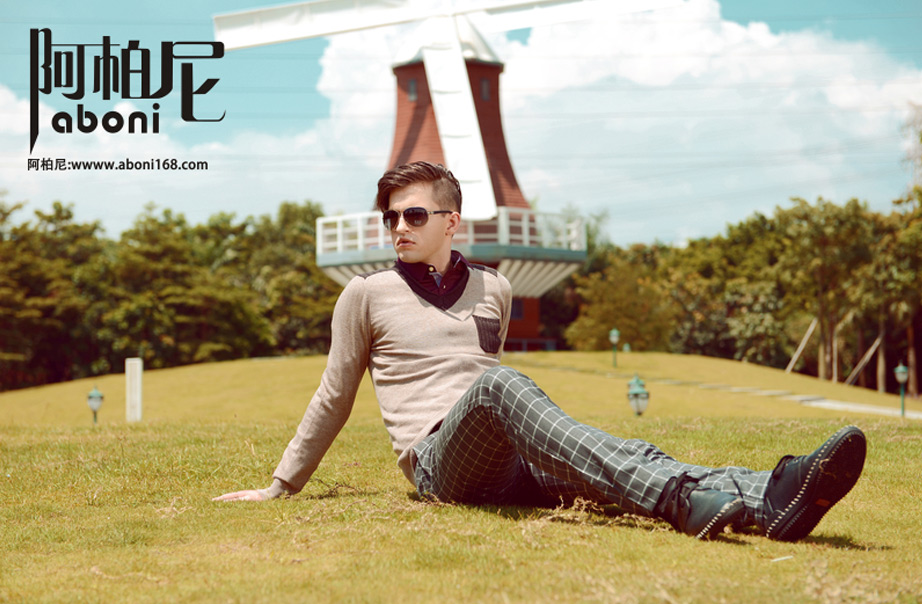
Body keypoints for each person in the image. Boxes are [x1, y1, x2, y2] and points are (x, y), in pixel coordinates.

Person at [214, 161, 866, 541]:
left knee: (624, 454)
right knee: (502, 386)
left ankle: (772, 497)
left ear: (450, 221)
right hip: (441, 464)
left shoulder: (494, 288)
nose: (398, 227)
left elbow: (484, 373)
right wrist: (281, 485)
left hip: (508, 453)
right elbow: (334, 395)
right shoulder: (365, 295)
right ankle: (677, 502)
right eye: (391, 217)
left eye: (413, 215)